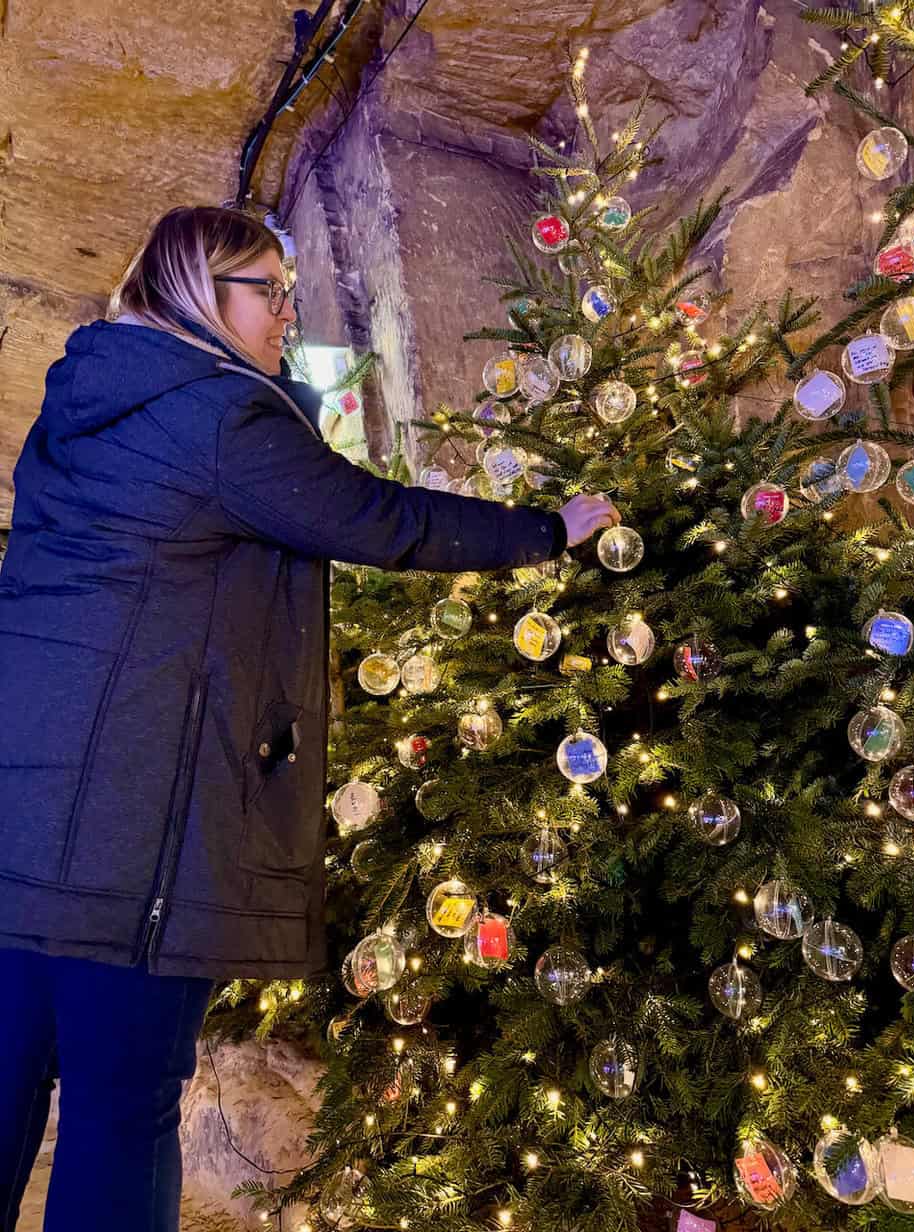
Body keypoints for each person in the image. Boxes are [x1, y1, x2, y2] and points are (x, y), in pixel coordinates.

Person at [0, 205, 619, 1231]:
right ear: (201, 294)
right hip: (133, 827)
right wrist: (547, 528)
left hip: (23, 813)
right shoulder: (219, 419)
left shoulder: (81, 406)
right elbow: (378, 516)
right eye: (269, 289)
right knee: (126, 1103)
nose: (289, 312)